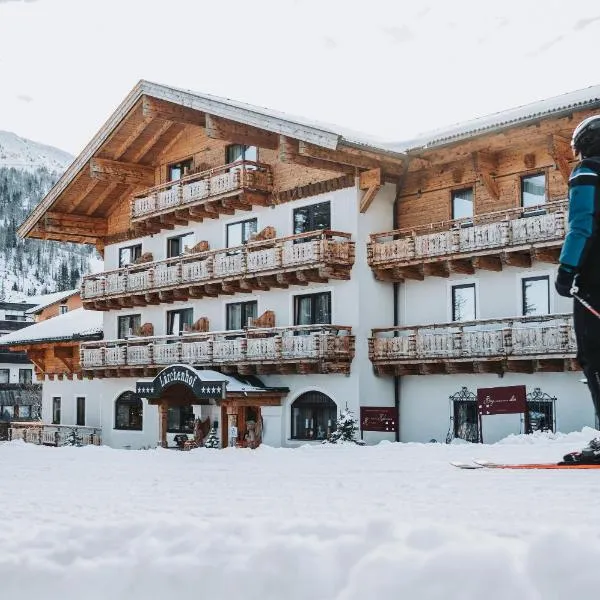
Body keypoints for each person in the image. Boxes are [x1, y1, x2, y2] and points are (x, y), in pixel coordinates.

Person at [555, 114, 600, 462]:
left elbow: (580, 225)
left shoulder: (587, 173)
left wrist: (567, 270)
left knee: (594, 357)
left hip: (593, 282)